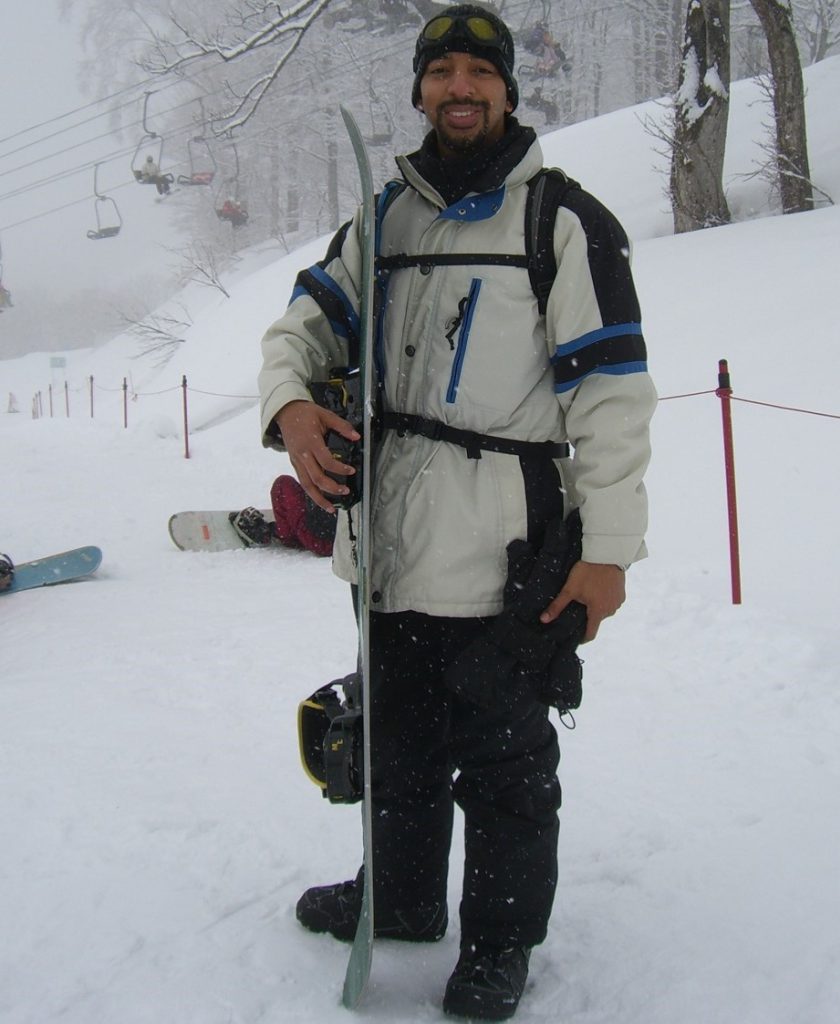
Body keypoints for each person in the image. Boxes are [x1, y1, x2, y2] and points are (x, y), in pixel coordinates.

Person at [256, 4, 655, 1019]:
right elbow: (298, 330)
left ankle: (498, 939)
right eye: (443, 73)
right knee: (396, 745)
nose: (461, 88)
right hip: (386, 545)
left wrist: (606, 551)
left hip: (502, 549)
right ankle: (399, 898)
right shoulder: (380, 218)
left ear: (510, 92)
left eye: (481, 71)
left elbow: (610, 398)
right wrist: (292, 405)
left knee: (505, 763)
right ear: (420, 91)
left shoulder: (559, 221)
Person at [231, 474, 336, 555]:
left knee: (283, 483)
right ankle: (293, 531)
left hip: (322, 539)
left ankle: (279, 535)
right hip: (344, 540)